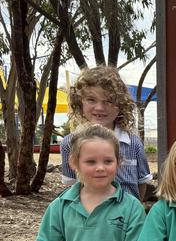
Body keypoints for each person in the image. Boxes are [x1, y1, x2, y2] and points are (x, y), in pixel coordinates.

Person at [61, 65, 152, 200]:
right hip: (89, 217)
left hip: (127, 217)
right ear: (80, 102)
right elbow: (71, 186)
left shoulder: (133, 143)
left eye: (109, 101)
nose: (99, 108)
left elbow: (142, 183)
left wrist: (135, 212)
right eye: (91, 99)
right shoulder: (69, 143)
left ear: (121, 104)